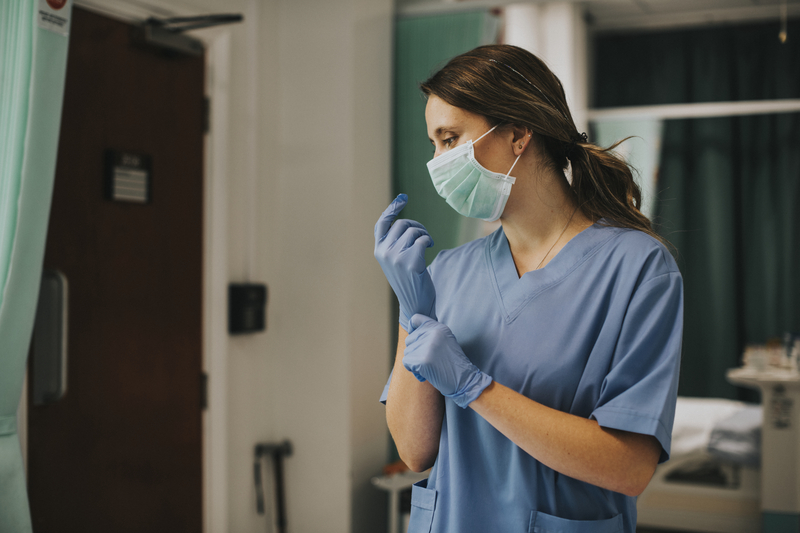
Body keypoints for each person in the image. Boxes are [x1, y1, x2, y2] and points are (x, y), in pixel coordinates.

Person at [373, 44, 683, 533]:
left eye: (450, 139)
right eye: (433, 143)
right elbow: (415, 452)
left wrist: (474, 387)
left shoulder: (637, 268)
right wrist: (413, 311)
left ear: (518, 133)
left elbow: (629, 467)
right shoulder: (446, 274)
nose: (437, 162)